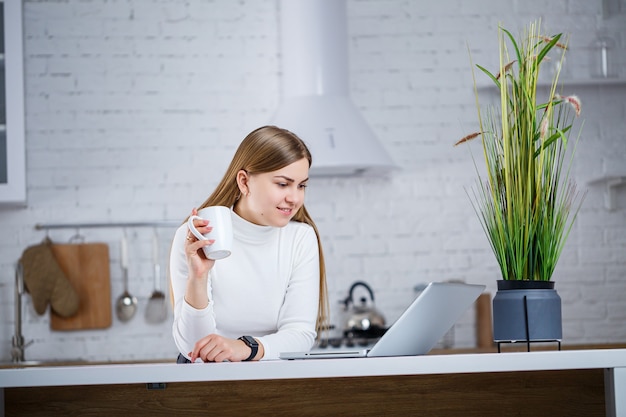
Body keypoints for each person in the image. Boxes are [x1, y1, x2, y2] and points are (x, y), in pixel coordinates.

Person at [170, 125, 329, 363]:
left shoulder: (301, 238)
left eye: (301, 185)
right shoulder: (194, 237)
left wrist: (246, 348)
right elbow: (193, 348)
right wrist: (198, 277)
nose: (295, 198)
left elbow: (300, 333)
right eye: (283, 184)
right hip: (205, 382)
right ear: (244, 182)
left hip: (274, 379)